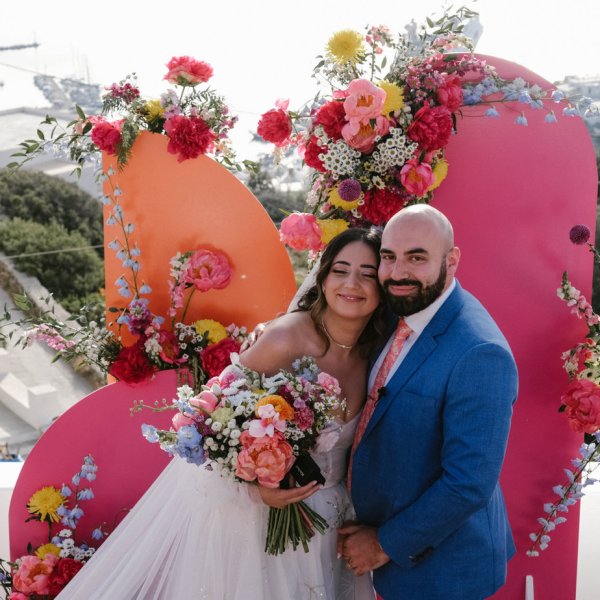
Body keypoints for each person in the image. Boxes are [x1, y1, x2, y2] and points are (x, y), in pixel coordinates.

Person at [57, 227, 385, 600]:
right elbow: (212, 424)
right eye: (340, 270)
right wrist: (257, 492)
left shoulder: (375, 352)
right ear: (323, 278)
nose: (352, 283)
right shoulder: (284, 339)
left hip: (332, 526)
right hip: (262, 528)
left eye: (368, 273)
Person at [338, 205, 518, 600]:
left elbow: (468, 484)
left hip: (440, 569)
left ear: (451, 261)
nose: (398, 272)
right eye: (389, 257)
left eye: (416, 257)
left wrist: (383, 544)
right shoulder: (397, 307)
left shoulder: (479, 352)